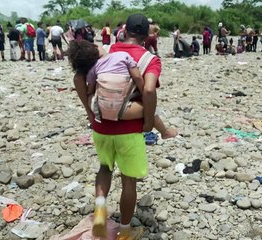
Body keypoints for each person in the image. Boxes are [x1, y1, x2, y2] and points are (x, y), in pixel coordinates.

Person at [72, 13, 170, 239]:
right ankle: (125, 232)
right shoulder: (150, 59)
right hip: (129, 130)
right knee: (128, 180)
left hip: (101, 127)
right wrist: (148, 123)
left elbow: (78, 77)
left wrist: (89, 112)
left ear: (124, 32)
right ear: (147, 36)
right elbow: (148, 90)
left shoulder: (106, 51)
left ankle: (99, 208)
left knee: (105, 168)